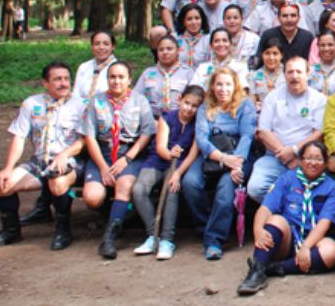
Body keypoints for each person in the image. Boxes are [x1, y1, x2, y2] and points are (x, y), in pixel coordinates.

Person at [0, 62, 85, 250]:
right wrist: (8, 168)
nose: (63, 83)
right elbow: (19, 137)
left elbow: (85, 140)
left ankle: (62, 230)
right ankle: (11, 231)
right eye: (57, 79)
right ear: (45, 83)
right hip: (38, 162)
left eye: (66, 79)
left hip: (70, 161)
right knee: (1, 183)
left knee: (58, 182)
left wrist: (65, 154)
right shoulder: (31, 104)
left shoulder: (81, 105)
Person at [237, 141, 335, 295]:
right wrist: (257, 230)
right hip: (288, 239)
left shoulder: (333, 188)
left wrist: (306, 246)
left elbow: (323, 223)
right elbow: (266, 208)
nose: (313, 163)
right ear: (300, 160)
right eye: (308, 158)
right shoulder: (287, 178)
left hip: (314, 241)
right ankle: (256, 271)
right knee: (275, 220)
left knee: (331, 251)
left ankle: (276, 268)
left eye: (318, 159)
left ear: (326, 163)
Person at [80, 62, 156, 259]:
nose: (116, 81)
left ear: (129, 80)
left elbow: (147, 133)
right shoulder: (96, 102)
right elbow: (89, 137)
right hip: (103, 154)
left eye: (121, 77)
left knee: (124, 185)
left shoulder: (139, 101)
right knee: (92, 197)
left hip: (129, 153)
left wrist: (127, 158)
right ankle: (115, 215)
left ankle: (109, 238)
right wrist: (103, 167)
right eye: (112, 77)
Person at [182, 68, 257, 260]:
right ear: (213, 87)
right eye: (219, 84)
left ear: (235, 86)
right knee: (190, 183)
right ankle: (208, 227)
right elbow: (201, 138)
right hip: (213, 154)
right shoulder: (205, 107)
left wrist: (236, 164)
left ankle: (214, 240)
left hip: (239, 154)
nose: (223, 89)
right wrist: (223, 159)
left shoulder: (245, 105)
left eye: (228, 84)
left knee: (226, 187)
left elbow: (247, 136)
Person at [130, 85, 204, 260]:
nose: (189, 109)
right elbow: (161, 147)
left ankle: (167, 239)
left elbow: (193, 154)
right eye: (187, 103)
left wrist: (178, 173)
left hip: (180, 164)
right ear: (180, 100)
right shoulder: (167, 118)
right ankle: (152, 234)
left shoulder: (199, 124)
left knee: (172, 189)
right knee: (138, 189)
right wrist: (170, 154)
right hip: (158, 159)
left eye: (195, 106)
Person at [248, 57, 326, 203]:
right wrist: (285, 154)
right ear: (284, 75)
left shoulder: (319, 99)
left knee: (313, 192)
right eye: (290, 72)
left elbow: (318, 133)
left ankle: (289, 209)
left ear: (308, 74)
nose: (294, 76)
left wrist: (295, 151)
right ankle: (289, 208)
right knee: (255, 188)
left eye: (299, 72)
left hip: (305, 159)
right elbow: (264, 131)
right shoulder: (273, 97)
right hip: (274, 156)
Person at [134, 35, 195, 118]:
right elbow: (136, 98)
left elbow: (194, 99)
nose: (165, 52)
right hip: (152, 119)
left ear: (178, 51)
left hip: (180, 119)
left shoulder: (188, 73)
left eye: (169, 49)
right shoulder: (148, 73)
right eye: (161, 49)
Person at [253, 2, 313, 67]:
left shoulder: (307, 37)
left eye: (293, 16)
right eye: (285, 16)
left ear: (299, 18)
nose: (289, 20)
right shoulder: (268, 35)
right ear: (278, 18)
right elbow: (260, 60)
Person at [72, 30, 117, 103]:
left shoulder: (118, 68)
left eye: (106, 44)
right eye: (97, 44)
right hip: (82, 108)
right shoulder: (84, 67)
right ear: (92, 47)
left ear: (113, 47)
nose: (101, 47)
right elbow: (76, 95)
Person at [308, 31, 335, 96]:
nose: (326, 49)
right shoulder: (311, 70)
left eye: (330, 45)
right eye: (322, 45)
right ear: (318, 47)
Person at [248, 41, 285, 109]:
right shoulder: (253, 76)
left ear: (281, 55)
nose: (271, 58)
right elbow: (251, 103)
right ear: (262, 54)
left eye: (275, 53)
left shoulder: (288, 75)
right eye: (267, 53)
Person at [173, 3, 211, 68]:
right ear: (183, 22)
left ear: (202, 20)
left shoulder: (209, 39)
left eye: (197, 18)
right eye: (189, 19)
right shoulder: (175, 39)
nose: (194, 22)